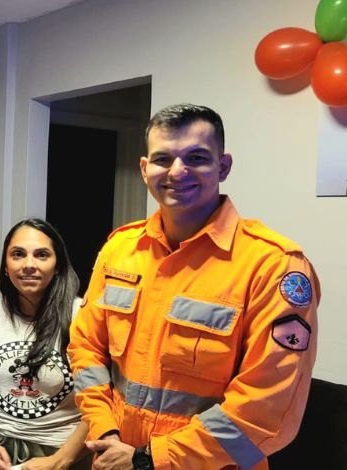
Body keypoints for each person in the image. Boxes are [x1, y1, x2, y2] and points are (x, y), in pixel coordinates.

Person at [68, 104, 319, 470]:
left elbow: (266, 413)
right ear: (144, 169)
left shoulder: (274, 266)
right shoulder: (120, 249)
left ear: (223, 166)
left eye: (196, 157)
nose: (177, 171)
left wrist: (149, 460)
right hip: (114, 456)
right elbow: (86, 347)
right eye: (163, 158)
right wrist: (105, 429)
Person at [0, 218, 92, 470]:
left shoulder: (82, 317)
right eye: (18, 254)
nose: (28, 265)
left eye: (42, 255)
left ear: (57, 266)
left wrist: (61, 460)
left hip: (61, 452)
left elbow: (103, 399)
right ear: (6, 266)